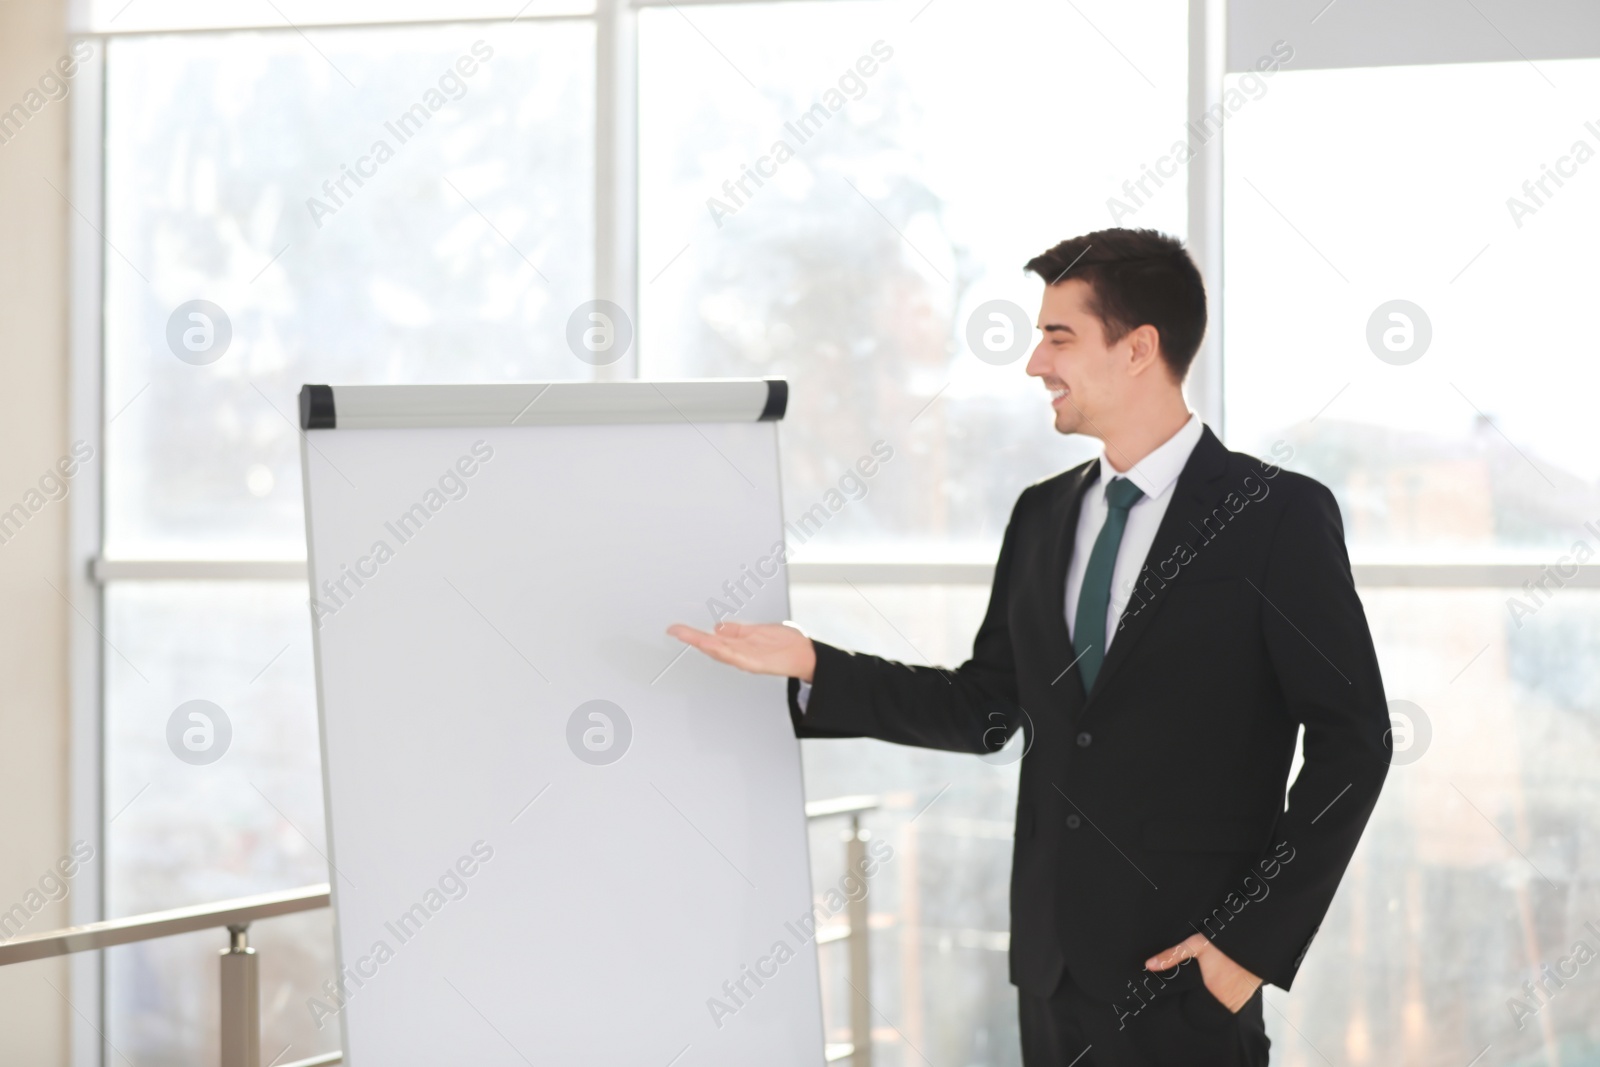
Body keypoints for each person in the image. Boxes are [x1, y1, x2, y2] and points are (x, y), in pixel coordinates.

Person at [669, 227, 1391, 1066]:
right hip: (1051, 975)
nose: (1034, 364)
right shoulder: (1042, 515)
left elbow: (1355, 740)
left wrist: (1246, 950)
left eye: (1059, 337)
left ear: (1138, 349)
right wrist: (816, 666)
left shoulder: (1275, 515)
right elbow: (985, 706)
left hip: (1188, 978)